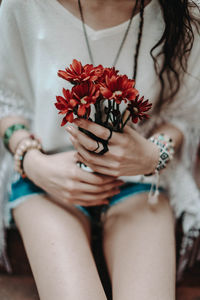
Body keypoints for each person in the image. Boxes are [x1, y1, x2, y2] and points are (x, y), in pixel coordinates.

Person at [0, 0, 199, 299]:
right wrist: (31, 160)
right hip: (47, 179)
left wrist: (153, 154)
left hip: (140, 182)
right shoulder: (20, 6)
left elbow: (183, 114)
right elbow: (6, 100)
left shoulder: (184, 10)